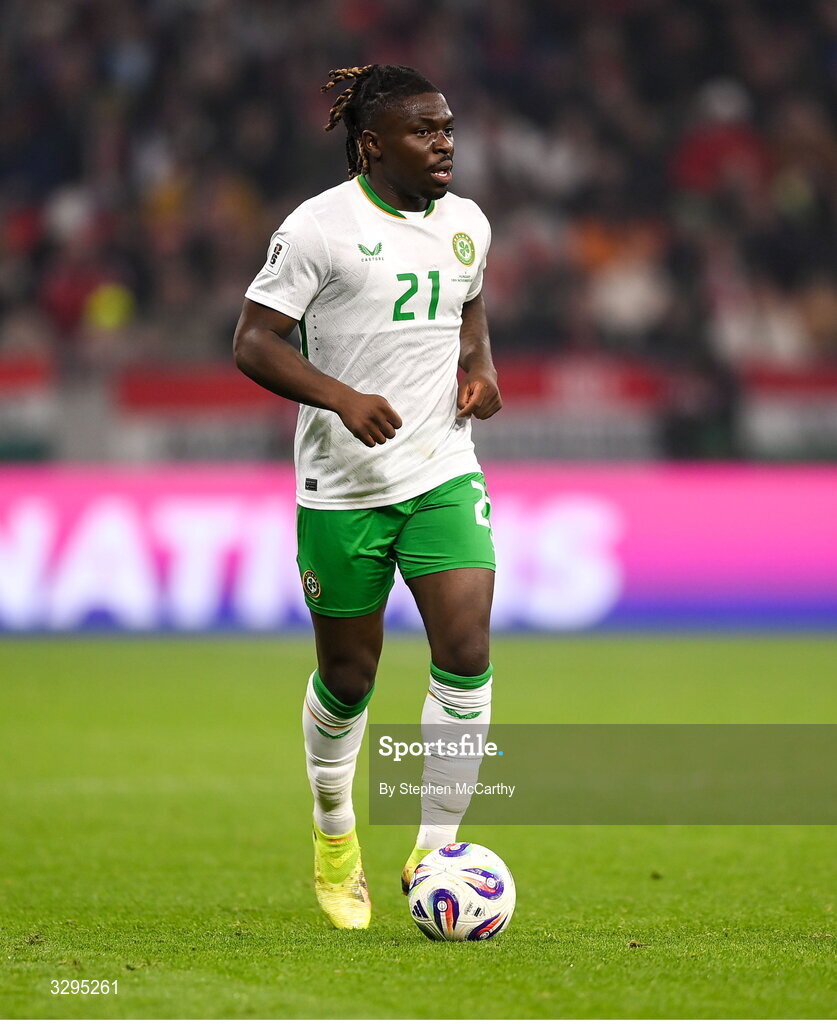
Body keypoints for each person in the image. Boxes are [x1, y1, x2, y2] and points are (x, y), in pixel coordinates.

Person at [233, 64, 502, 929]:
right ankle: (334, 830)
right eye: (425, 131)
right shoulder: (319, 229)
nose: (444, 144)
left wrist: (481, 367)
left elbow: (470, 303)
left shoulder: (466, 224)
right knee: (348, 679)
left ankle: (433, 850)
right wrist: (341, 399)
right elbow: (252, 342)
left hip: (441, 471)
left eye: (448, 127)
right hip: (342, 488)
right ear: (372, 144)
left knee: (463, 650)